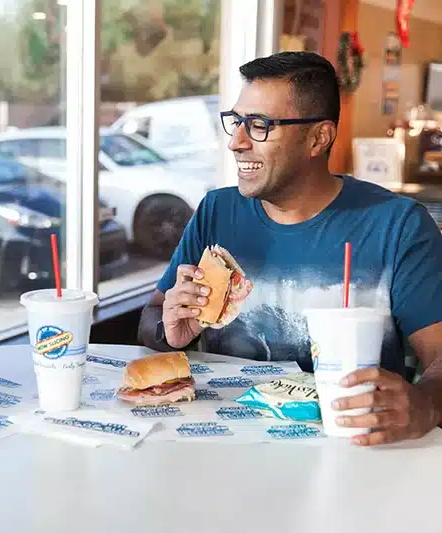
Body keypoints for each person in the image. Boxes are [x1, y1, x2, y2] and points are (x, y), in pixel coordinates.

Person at [139, 51, 442, 447]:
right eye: (236, 122)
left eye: (260, 126)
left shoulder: (398, 225)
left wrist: (426, 405)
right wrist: (170, 332)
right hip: (221, 449)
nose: (236, 142)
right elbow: (151, 320)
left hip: (350, 451)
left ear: (318, 138)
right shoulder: (217, 211)